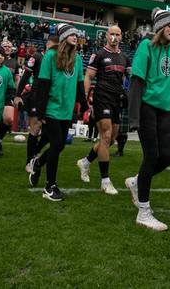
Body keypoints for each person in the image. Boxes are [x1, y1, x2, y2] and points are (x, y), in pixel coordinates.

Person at [124, 8, 170, 231]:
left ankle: (137, 182)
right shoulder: (145, 46)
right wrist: (135, 116)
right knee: (152, 156)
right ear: (159, 27)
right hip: (147, 107)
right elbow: (137, 81)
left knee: (167, 157)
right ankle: (144, 212)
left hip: (164, 110)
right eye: (169, 25)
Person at [28, 24, 88, 201]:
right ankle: (49, 186)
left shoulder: (77, 58)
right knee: (56, 144)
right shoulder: (50, 57)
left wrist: (84, 105)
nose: (75, 37)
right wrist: (41, 112)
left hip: (66, 109)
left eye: (76, 35)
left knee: (60, 145)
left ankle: (37, 163)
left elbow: (78, 84)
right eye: (71, 34)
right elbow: (43, 85)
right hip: (52, 108)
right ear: (62, 37)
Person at [76, 25, 131, 195]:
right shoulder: (98, 54)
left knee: (111, 139)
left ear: (121, 37)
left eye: (117, 34)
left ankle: (85, 162)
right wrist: (85, 97)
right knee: (106, 136)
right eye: (111, 34)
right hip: (101, 97)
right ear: (106, 36)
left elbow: (132, 77)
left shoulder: (124, 57)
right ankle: (105, 180)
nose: (114, 36)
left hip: (117, 100)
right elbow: (88, 76)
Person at [20, 36, 58, 172]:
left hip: (52, 96)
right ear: (47, 45)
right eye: (53, 46)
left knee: (49, 132)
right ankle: (29, 161)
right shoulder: (37, 56)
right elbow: (25, 75)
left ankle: (35, 152)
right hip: (37, 94)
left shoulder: (57, 58)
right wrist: (18, 94)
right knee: (35, 127)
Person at [0, 41, 21, 156]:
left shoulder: (14, 62)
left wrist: (16, 93)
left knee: (9, 119)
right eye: (5, 46)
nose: (8, 48)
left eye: (10, 46)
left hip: (8, 94)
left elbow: (17, 79)